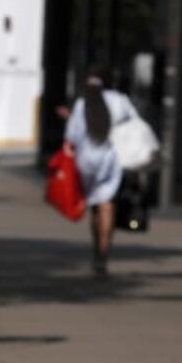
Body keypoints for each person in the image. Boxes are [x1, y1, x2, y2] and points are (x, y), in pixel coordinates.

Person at [64, 70, 136, 278]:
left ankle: (97, 249)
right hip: (110, 160)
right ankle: (103, 254)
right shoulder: (119, 101)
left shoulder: (81, 103)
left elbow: (72, 136)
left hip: (85, 161)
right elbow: (132, 125)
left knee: (95, 207)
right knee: (107, 205)